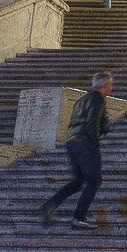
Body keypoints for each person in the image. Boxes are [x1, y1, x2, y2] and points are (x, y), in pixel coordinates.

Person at [39, 71, 113, 229]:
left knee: (79, 181)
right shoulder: (97, 100)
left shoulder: (82, 99)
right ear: (105, 85)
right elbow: (92, 123)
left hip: (72, 142)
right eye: (110, 84)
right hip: (85, 142)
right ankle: (78, 218)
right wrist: (94, 143)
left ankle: (50, 205)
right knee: (94, 181)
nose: (111, 88)